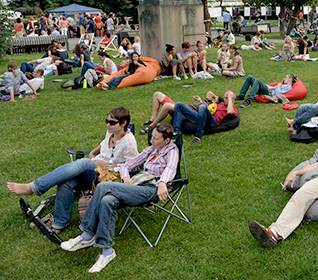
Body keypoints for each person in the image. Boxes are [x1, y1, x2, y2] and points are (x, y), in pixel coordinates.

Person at [59, 123, 177, 273]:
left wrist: (162, 183)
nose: (151, 140)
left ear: (167, 141)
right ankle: (107, 251)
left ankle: (87, 234)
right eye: (152, 137)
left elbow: (171, 168)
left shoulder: (172, 150)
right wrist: (126, 176)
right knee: (107, 200)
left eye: (156, 138)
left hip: (152, 190)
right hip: (137, 185)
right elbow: (127, 165)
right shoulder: (151, 150)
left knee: (103, 187)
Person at [7, 107, 138, 234]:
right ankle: (60, 222)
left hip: (108, 177)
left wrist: (105, 165)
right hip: (94, 170)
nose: (108, 125)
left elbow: (132, 166)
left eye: (112, 122)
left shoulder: (128, 140)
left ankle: (34, 187)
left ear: (124, 123)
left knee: (84, 162)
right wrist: (93, 152)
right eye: (107, 121)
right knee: (67, 181)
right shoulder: (111, 132)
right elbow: (103, 143)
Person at [172, 90, 239, 145]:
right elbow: (208, 107)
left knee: (202, 107)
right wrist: (201, 101)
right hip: (202, 116)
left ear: (232, 99)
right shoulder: (221, 104)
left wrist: (230, 97)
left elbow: (230, 112)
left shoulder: (234, 108)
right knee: (178, 105)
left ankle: (198, 137)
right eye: (225, 97)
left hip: (212, 122)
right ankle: (176, 134)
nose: (225, 100)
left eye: (227, 98)